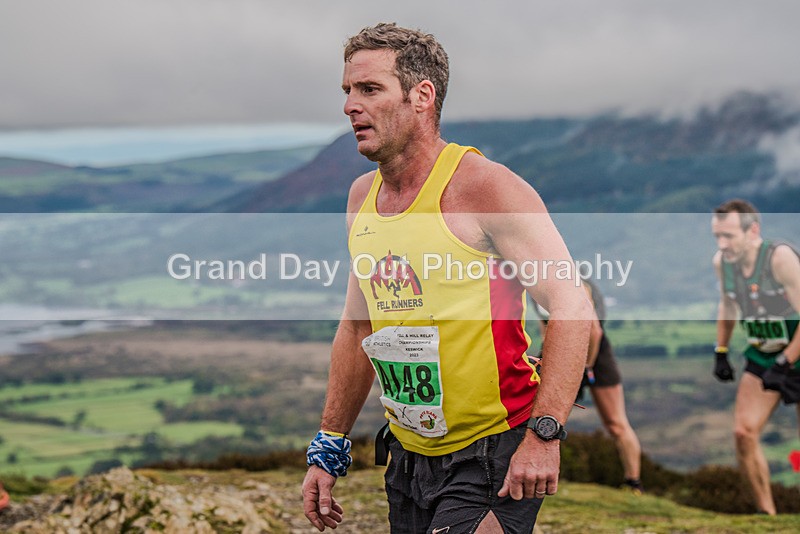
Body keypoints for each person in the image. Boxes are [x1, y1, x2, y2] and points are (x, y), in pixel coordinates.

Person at [301, 23, 593, 533]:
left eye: (369, 89)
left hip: (493, 450)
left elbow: (571, 306)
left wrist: (545, 437)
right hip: (409, 455)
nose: (350, 105)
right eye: (347, 91)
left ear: (422, 96)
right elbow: (357, 328)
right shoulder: (359, 200)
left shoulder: (485, 188)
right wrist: (329, 446)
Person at [711, 199, 800, 515]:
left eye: (729, 236)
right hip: (763, 355)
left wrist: (787, 361)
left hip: (795, 352)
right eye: (717, 237)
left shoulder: (780, 259)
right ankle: (768, 516)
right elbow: (728, 304)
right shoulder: (723, 262)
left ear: (753, 231)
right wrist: (721, 351)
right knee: (743, 433)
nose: (722, 245)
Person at [536, 278, 644, 494]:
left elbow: (594, 331)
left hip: (595, 354)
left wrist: (587, 368)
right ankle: (542, 473)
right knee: (540, 415)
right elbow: (545, 326)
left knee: (616, 423)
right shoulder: (532, 284)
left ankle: (633, 484)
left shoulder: (573, 282)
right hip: (560, 348)